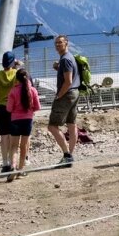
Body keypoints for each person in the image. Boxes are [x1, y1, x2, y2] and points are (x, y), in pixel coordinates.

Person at [47, 35, 79, 166]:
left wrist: (59, 95)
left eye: (60, 43)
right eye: (56, 43)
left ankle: (66, 154)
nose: (58, 45)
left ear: (67, 43)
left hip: (66, 94)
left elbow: (68, 81)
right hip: (75, 93)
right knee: (72, 124)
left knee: (52, 126)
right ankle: (69, 156)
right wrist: (58, 67)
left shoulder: (65, 59)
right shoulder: (69, 57)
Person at [5, 58, 38, 181]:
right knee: (24, 146)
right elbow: (37, 107)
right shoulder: (33, 90)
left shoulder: (13, 91)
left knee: (14, 146)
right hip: (28, 121)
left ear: (16, 78)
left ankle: (12, 167)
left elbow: (8, 108)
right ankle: (20, 169)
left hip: (15, 121)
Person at [0, 52, 19, 176]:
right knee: (13, 136)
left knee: (3, 136)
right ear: (13, 62)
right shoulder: (17, 74)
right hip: (14, 108)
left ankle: (5, 163)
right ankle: (14, 163)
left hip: (1, 108)